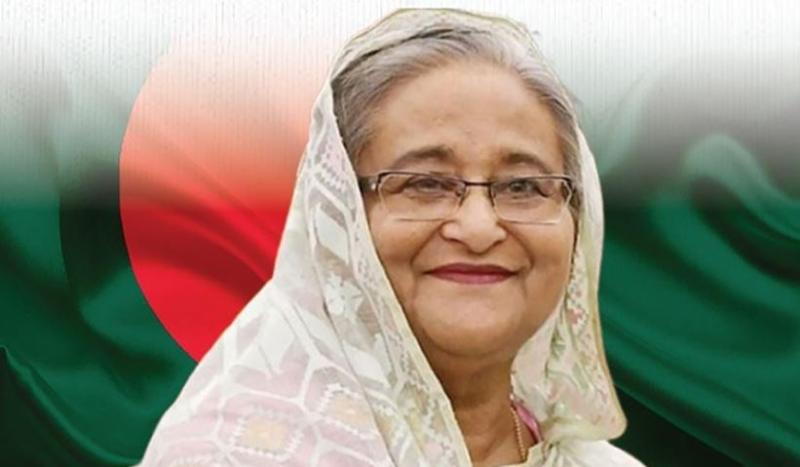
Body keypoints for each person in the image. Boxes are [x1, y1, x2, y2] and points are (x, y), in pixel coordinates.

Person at [138, 8, 644, 466]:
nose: (478, 228)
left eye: (523, 187)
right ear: (338, 218)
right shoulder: (230, 455)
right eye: (425, 183)